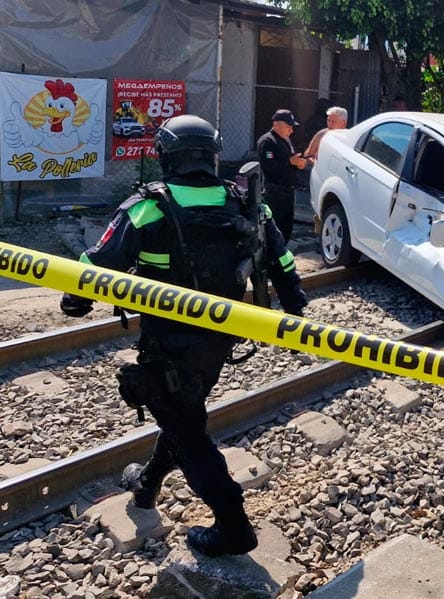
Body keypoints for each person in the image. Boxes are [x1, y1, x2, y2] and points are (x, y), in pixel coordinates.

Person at [59, 114, 308, 557]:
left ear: (164, 156)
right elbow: (283, 261)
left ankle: (234, 524)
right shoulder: (246, 202)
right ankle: (147, 483)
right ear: (213, 157)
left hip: (167, 345)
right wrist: (294, 308)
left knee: (187, 431)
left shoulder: (147, 206)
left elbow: (95, 264)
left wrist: (74, 300)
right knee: (183, 413)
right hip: (221, 340)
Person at [257, 109, 307, 242]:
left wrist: (299, 164)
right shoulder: (268, 141)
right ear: (276, 124)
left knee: (286, 227)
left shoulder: (285, 140)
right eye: (288, 127)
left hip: (288, 191)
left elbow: (291, 160)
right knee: (275, 228)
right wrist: (290, 162)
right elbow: (269, 166)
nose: (291, 130)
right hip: (275, 191)